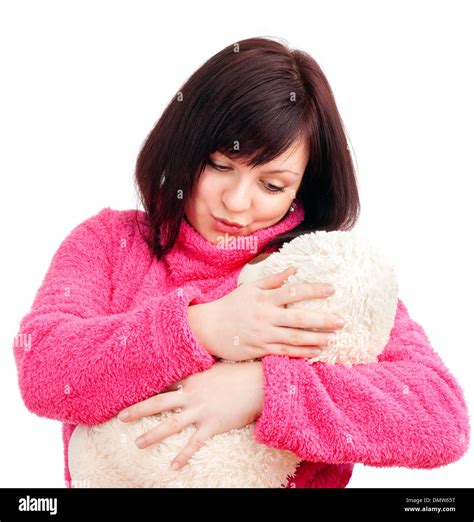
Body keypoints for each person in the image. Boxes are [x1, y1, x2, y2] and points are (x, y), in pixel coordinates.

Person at [13, 36, 469, 488]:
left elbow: (441, 420)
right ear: (185, 148)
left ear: (303, 189)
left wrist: (263, 390)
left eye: (272, 186)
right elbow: (43, 370)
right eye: (219, 165)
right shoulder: (112, 243)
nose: (236, 202)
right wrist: (202, 328)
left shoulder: (324, 272)